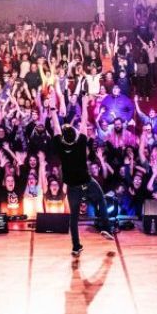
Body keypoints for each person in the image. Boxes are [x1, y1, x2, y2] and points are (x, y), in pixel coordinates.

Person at [50, 96, 114, 257]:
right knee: (101, 200)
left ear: (63, 137)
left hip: (73, 187)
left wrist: (52, 109)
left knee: (73, 217)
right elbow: (84, 122)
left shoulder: (60, 145)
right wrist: (84, 105)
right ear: (75, 135)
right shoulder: (80, 144)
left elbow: (56, 126)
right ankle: (106, 227)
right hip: (88, 182)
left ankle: (76, 246)